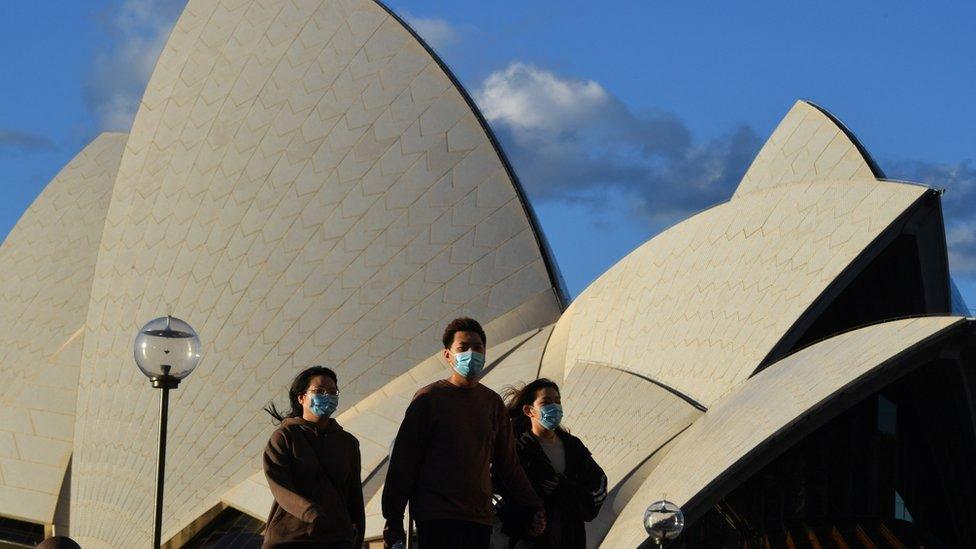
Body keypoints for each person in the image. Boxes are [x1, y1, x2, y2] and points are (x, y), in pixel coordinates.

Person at [382, 317, 546, 548]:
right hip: (438, 517)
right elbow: (404, 461)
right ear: (448, 355)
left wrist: (533, 504)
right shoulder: (428, 399)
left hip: (479, 517)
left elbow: (508, 464)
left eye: (477, 347)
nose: (471, 353)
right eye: (463, 348)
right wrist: (394, 520)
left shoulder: (492, 403)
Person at [494, 378, 607, 548]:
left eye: (557, 401)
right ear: (529, 410)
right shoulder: (515, 448)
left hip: (569, 538)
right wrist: (525, 519)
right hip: (527, 542)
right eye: (546, 402)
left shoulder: (572, 446)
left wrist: (564, 488)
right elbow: (493, 493)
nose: (554, 407)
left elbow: (598, 487)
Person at [263, 366, 365, 549]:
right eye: (320, 391)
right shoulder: (285, 436)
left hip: (336, 539)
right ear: (301, 397)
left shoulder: (348, 443)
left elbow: (354, 493)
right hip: (290, 538)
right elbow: (279, 485)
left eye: (333, 392)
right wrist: (311, 513)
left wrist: (356, 534)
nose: (328, 396)